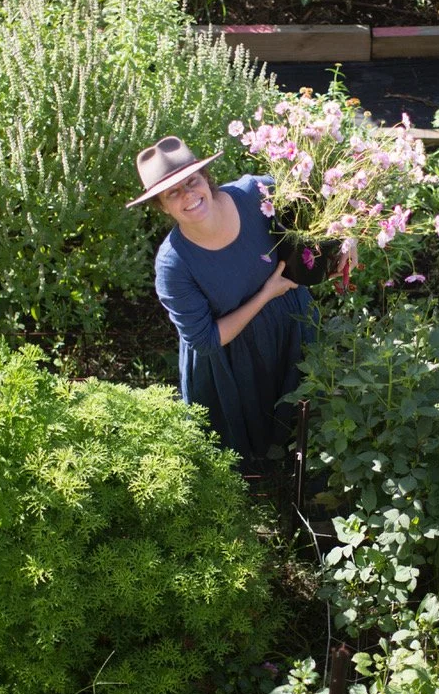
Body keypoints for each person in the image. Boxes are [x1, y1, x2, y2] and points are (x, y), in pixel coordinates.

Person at [128, 135, 323, 471]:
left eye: (192, 181)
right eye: (173, 192)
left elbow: (317, 202)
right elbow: (205, 341)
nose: (188, 195)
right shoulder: (174, 264)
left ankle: (299, 482)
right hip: (234, 361)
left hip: (291, 327)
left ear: (207, 179)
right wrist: (266, 294)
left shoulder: (253, 195)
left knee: (305, 430)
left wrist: (345, 239)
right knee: (241, 464)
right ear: (162, 205)